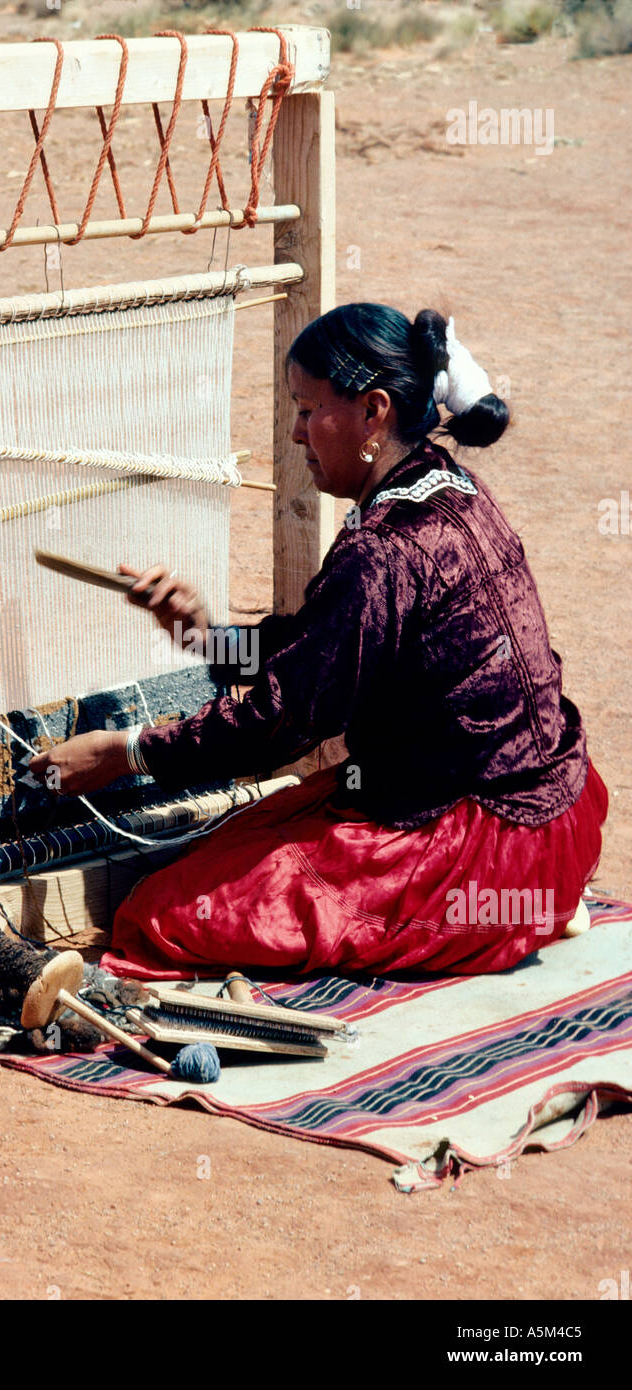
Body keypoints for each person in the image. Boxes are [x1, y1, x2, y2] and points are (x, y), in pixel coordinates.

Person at [30, 303, 608, 980]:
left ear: (373, 411)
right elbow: (324, 650)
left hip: (476, 843)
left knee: (164, 917)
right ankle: (536, 908)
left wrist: (124, 753)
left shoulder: (384, 548)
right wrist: (208, 639)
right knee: (247, 841)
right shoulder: (444, 485)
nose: (297, 432)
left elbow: (282, 721)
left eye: (308, 410)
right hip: (559, 816)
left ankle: (503, 919)